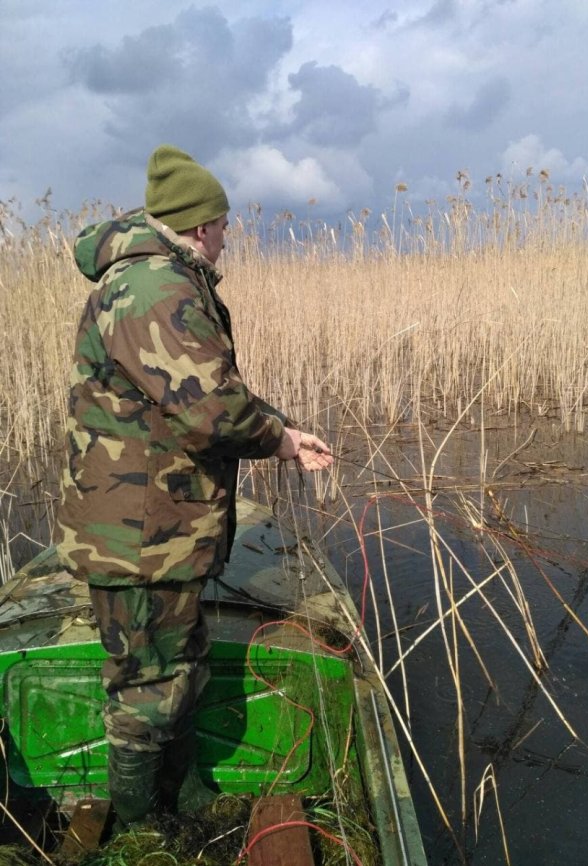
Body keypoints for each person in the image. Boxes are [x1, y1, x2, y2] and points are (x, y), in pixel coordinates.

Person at [55, 144, 333, 828]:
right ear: (201, 225)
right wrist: (277, 441)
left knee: (177, 665)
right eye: (224, 223)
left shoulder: (155, 280)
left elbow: (210, 392)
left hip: (155, 523)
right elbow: (210, 411)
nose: (227, 235)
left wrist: (284, 429)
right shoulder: (157, 289)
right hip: (140, 532)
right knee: (148, 685)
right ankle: (142, 825)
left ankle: (180, 793)